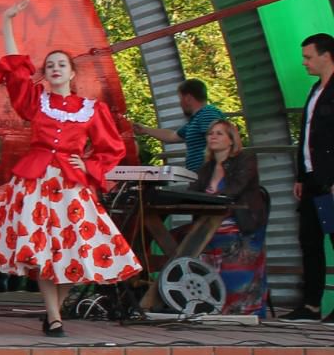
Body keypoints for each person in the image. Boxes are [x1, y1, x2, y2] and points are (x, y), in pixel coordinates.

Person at [0, 0, 141, 335]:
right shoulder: (37, 102)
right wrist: (7, 23)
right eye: (50, 64)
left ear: (72, 72)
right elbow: (16, 72)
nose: (55, 68)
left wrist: (90, 163)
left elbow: (113, 148)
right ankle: (53, 317)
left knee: (72, 252)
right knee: (45, 253)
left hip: (71, 185)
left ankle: (54, 310)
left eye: (61, 64)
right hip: (35, 184)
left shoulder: (91, 109)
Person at [193, 119, 269, 318]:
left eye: (219, 133)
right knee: (180, 239)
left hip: (239, 223)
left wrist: (209, 200)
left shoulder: (246, 160)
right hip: (211, 223)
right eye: (210, 133)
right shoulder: (206, 168)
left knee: (219, 239)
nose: (213, 137)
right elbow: (192, 192)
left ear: (231, 140)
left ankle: (239, 309)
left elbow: (235, 189)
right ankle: (203, 303)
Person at [286, 33, 334, 321]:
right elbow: (307, 136)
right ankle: (311, 304)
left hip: (330, 180)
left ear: (326, 55)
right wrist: (301, 175)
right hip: (312, 180)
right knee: (309, 240)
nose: (304, 62)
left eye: (308, 57)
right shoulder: (315, 90)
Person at [126, 79, 223, 174]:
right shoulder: (195, 120)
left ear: (188, 98)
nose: (180, 103)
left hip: (209, 177)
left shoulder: (208, 114)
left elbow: (220, 142)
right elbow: (172, 136)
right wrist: (145, 130)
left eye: (180, 99)